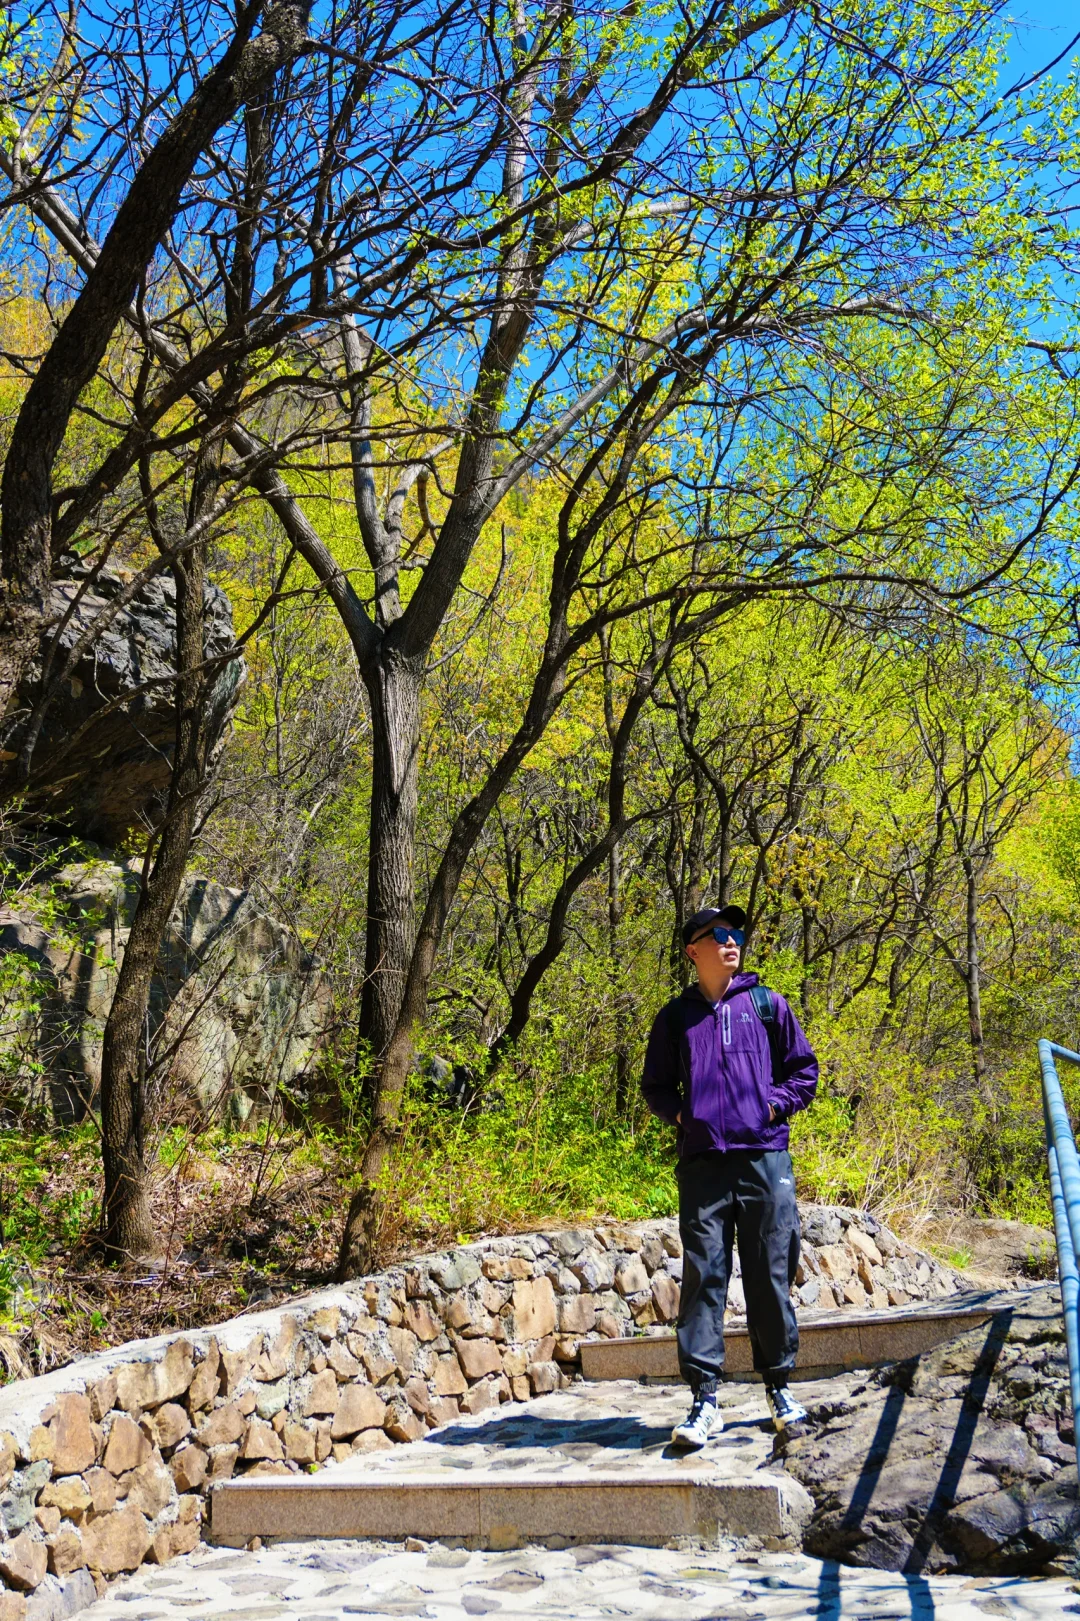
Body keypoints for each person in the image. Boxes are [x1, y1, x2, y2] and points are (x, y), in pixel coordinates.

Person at [640, 903, 819, 1447]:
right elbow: (655, 1087)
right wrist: (685, 1117)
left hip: (764, 1159)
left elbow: (804, 1071)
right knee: (703, 1279)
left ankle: (779, 1389)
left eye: (736, 932)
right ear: (692, 951)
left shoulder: (768, 1005)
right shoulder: (675, 1018)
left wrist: (772, 1107)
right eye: (717, 934)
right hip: (703, 1166)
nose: (731, 940)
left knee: (770, 1273)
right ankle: (704, 1401)